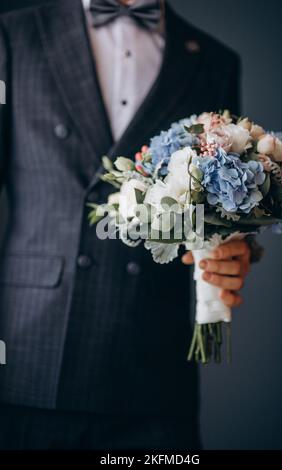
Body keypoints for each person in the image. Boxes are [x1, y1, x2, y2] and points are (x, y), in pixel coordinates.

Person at [0, 0, 254, 450]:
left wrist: (238, 252)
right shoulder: (14, 35)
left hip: (153, 368)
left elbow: (224, 215)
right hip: (31, 357)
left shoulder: (214, 61)